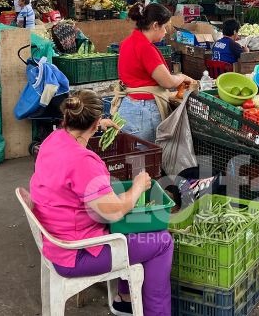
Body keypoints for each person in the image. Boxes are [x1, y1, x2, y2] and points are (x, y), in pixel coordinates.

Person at [29, 90, 172, 316]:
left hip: (56, 237)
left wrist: (97, 122)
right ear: (94, 124)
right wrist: (137, 187)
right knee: (162, 241)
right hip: (76, 254)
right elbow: (113, 213)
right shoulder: (83, 162)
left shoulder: (53, 139)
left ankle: (125, 297)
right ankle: (155, 311)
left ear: (67, 117)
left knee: (132, 225)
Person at [114, 3, 195, 142]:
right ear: (155, 25)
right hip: (143, 112)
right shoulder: (145, 48)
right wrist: (181, 77)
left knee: (134, 158)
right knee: (147, 158)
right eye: (164, 27)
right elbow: (168, 82)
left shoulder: (128, 42)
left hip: (128, 107)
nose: (165, 32)